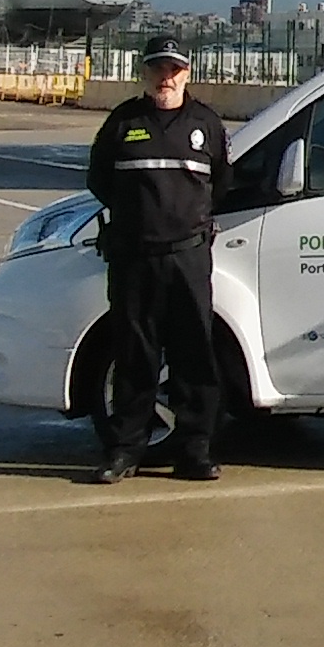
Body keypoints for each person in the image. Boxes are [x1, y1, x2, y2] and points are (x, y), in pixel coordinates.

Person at [82, 35, 230, 484]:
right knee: (134, 356)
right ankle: (126, 450)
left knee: (193, 356)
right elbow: (99, 180)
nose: (165, 77)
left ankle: (194, 451)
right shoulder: (123, 123)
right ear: (144, 73)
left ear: (187, 73)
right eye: (157, 69)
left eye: (174, 69)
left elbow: (221, 185)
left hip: (187, 258)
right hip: (133, 260)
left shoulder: (206, 124)